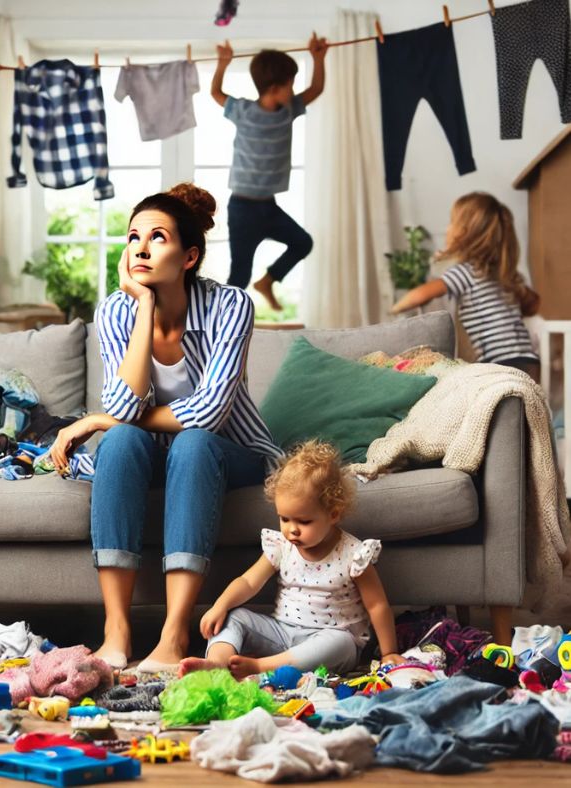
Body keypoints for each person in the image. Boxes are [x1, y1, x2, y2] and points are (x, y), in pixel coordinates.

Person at [49, 183, 282, 672]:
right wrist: (144, 308)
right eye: (134, 237)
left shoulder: (231, 306)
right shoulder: (115, 311)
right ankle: (116, 631)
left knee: (192, 442)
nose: (140, 247)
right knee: (120, 441)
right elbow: (123, 405)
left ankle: (174, 634)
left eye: (158, 238)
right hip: (152, 455)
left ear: (189, 255)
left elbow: (210, 414)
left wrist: (96, 419)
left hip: (229, 453)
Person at [179, 440, 402, 679]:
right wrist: (220, 605)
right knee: (234, 616)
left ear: (333, 514)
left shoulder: (353, 554)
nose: (291, 530)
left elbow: (377, 605)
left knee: (342, 643)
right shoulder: (282, 546)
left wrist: (389, 652)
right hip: (281, 633)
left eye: (304, 522)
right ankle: (217, 664)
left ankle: (261, 667)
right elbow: (248, 582)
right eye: (284, 519)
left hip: (329, 638)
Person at [212, 35, 328, 309]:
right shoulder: (243, 110)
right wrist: (222, 63)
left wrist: (318, 58)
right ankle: (217, 322)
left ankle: (268, 281)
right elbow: (216, 94)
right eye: (290, 84)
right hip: (242, 209)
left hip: (268, 206)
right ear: (275, 88)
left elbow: (317, 88)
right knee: (239, 276)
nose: (294, 90)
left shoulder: (288, 110)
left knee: (303, 243)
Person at [392, 192, 541, 381]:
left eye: (452, 222)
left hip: (500, 363)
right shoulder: (503, 276)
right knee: (526, 407)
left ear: (464, 232)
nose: (448, 228)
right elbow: (534, 303)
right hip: (529, 362)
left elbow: (420, 295)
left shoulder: (465, 272)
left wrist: (393, 309)